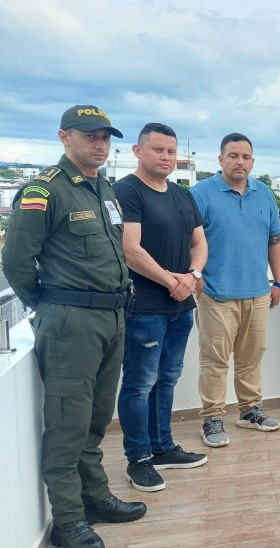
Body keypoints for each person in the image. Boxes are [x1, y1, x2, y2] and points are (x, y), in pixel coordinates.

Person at [2, 105, 146, 548]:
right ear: (65, 137)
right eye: (90, 136)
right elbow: (16, 261)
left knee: (96, 419)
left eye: (105, 137)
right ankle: (68, 522)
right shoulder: (45, 191)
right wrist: (50, 307)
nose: (100, 144)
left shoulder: (104, 187)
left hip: (112, 315)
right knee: (67, 425)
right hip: (71, 322)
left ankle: (94, 496)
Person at [113, 123, 209, 493]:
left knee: (167, 378)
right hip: (145, 306)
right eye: (158, 150)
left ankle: (163, 446)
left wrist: (193, 274)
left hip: (181, 305)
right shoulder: (126, 191)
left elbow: (199, 242)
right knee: (139, 384)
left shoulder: (183, 196)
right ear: (138, 152)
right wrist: (174, 281)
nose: (166, 157)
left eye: (171, 151)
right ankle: (138, 459)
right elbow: (131, 249)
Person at [190, 133, 280, 447]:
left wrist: (279, 281)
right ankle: (213, 417)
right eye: (233, 156)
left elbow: (275, 240)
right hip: (216, 294)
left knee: (251, 357)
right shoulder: (201, 193)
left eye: (245, 157)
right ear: (220, 159)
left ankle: (249, 411)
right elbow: (187, 241)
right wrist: (196, 277)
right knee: (214, 361)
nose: (239, 162)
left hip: (257, 293)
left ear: (252, 161)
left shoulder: (264, 194)